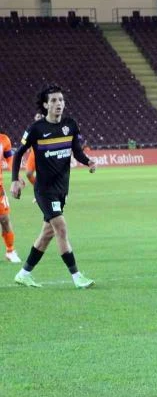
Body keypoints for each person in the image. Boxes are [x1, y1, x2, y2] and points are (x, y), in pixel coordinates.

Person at [10, 84, 97, 288]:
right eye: (54, 100)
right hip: (44, 190)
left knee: (47, 234)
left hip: (61, 190)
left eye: (61, 100)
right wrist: (14, 179)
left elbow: (77, 151)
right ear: (45, 105)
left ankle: (23, 274)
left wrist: (88, 162)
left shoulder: (70, 125)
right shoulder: (36, 129)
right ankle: (77, 277)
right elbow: (18, 153)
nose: (59, 104)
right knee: (61, 228)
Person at [0, 132, 20, 263]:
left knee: (4, 219)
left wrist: (16, 176)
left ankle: (10, 251)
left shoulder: (4, 140)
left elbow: (10, 160)